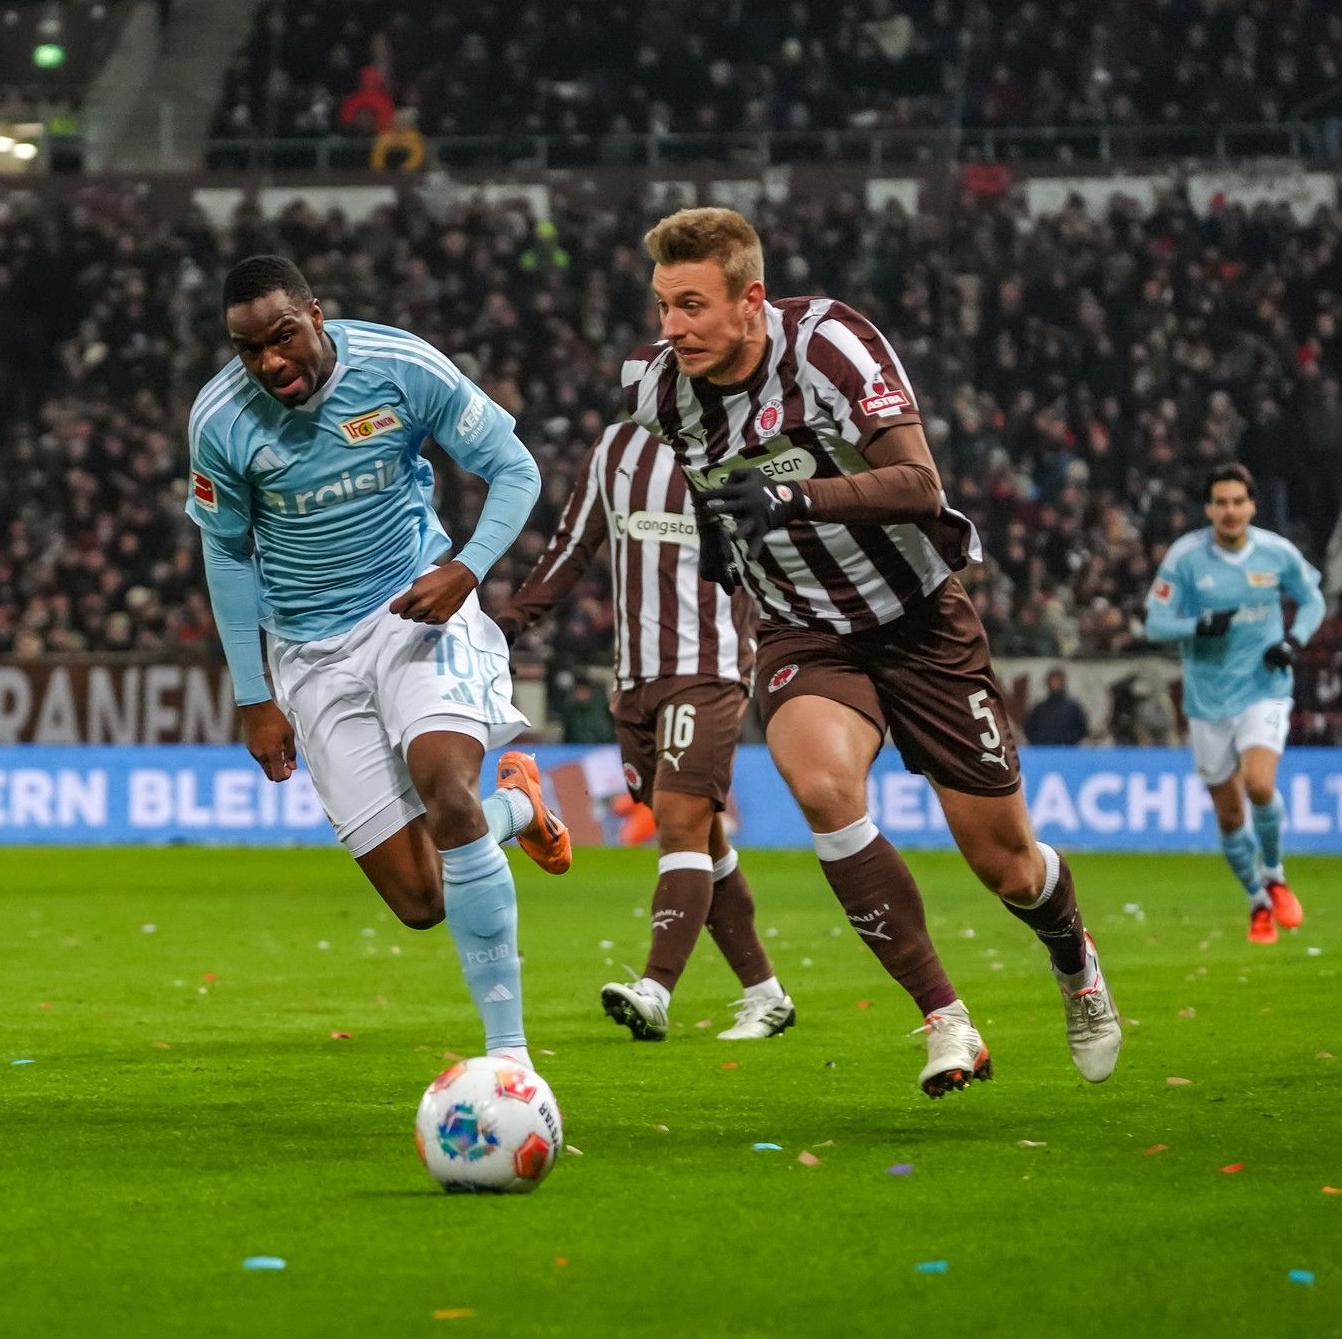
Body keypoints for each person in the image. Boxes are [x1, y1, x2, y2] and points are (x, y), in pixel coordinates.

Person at [629, 207, 1121, 1098]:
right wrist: (719, 545)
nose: (671, 329)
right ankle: (946, 1019)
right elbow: (708, 481)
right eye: (662, 306)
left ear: (750, 300)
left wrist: (791, 501)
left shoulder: (830, 346)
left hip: (919, 616)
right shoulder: (659, 390)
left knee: (1007, 862)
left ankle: (1073, 954)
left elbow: (919, 484)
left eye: (691, 306)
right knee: (821, 786)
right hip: (802, 628)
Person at [186, 255, 567, 1069]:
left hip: (413, 611)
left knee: (446, 785)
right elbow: (227, 556)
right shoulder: (219, 422)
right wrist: (254, 696)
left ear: (316, 315)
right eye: (249, 350)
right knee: (422, 899)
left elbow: (515, 467)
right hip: (310, 654)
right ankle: (522, 811)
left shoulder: (399, 366)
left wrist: (466, 567)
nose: (270, 363)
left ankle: (510, 1061)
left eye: (283, 337)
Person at [499, 421, 796, 1042]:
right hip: (634, 681)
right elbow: (572, 545)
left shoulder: (743, 442)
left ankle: (655, 990)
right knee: (704, 840)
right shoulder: (615, 448)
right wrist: (514, 618)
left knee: (679, 816)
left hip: (709, 668)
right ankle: (766, 995)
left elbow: (789, 543)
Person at [1144, 463, 1324, 944]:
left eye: (1238, 502)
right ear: (1208, 509)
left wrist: (1293, 641)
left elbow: (1313, 600)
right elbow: (1155, 623)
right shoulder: (1186, 558)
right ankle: (1257, 900)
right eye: (1220, 502)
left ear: (1252, 506)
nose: (1230, 511)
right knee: (1228, 815)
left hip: (1263, 687)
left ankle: (1276, 874)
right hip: (1207, 702)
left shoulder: (1276, 553)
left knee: (1260, 785)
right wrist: (1198, 625)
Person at [1023, 668, 1089, 745]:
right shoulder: (1039, 708)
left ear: (1063, 682)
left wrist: (1069, 741)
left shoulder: (1074, 708)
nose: (1056, 683)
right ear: (1048, 682)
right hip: (1043, 752)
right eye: (1053, 681)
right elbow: (1029, 729)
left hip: (1067, 752)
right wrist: (1039, 743)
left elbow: (1082, 729)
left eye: (1058, 680)